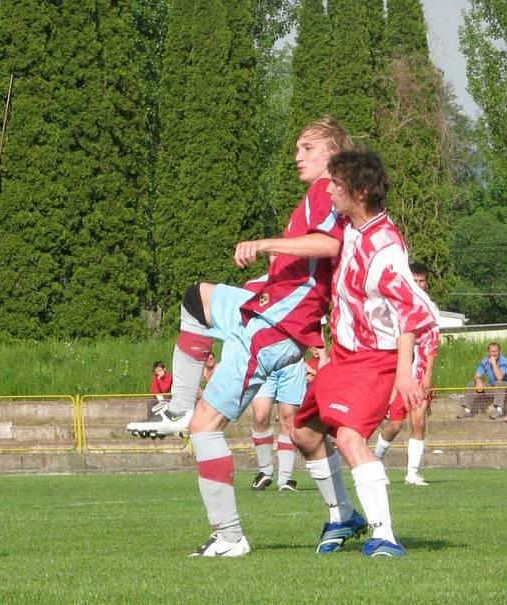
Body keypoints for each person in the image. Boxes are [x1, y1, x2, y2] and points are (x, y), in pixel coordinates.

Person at [128, 117, 353, 557]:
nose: (298, 156)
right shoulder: (321, 194)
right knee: (197, 299)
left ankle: (229, 537)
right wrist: (267, 278)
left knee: (206, 428)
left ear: (332, 153)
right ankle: (176, 406)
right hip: (265, 311)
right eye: (297, 147)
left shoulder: (326, 191)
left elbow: (328, 246)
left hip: (274, 328)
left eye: (307, 147)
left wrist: (267, 245)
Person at [292, 148, 437, 559]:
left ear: (357, 191)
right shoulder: (346, 224)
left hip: (376, 358)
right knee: (302, 433)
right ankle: (343, 515)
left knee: (351, 438)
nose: (330, 190)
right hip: (343, 356)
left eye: (337, 184)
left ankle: (384, 535)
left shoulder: (385, 247)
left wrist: (405, 372)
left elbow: (411, 311)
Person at [374, 262, 439, 487]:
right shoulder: (394, 306)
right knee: (394, 424)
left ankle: (412, 473)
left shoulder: (431, 308)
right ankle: (376, 462)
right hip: (398, 373)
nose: (419, 285)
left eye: (423, 281)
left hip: (420, 372)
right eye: (415, 281)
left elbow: (432, 342)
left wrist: (428, 374)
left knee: (419, 422)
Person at [250, 360, 306, 492]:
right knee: (260, 416)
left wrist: (322, 355)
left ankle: (285, 478)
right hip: (264, 359)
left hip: (292, 361)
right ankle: (265, 471)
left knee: (288, 419)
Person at [460, 342, 507, 419]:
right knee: (472, 383)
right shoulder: (485, 361)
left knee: (499, 383)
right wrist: (478, 380)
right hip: (494, 388)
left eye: (496, 351)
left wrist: (493, 363)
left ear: (499, 352)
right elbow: (476, 375)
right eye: (492, 351)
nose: (494, 354)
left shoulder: (504, 360)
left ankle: (499, 410)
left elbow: (500, 377)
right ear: (488, 352)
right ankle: (467, 411)